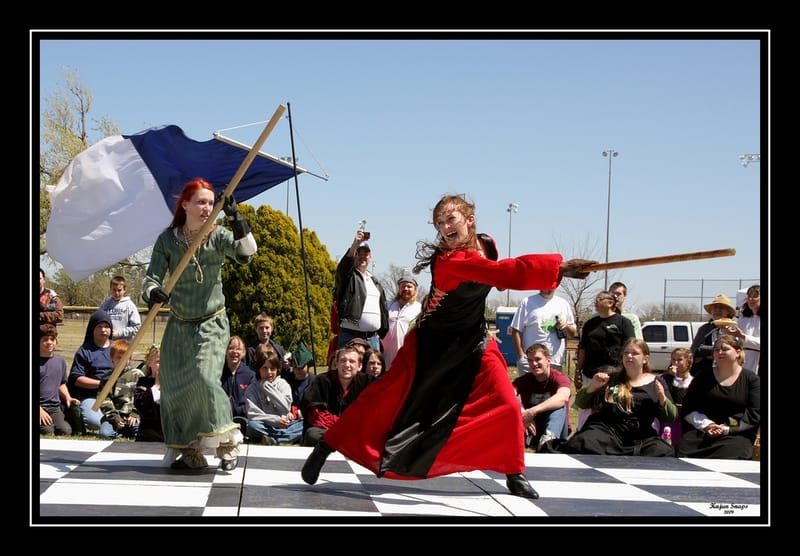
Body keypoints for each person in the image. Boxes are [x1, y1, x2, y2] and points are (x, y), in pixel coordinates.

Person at [300, 194, 595, 499]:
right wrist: (559, 268)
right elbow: (499, 273)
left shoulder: (487, 245)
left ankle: (514, 471)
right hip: (430, 345)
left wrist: (554, 271)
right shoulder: (450, 260)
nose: (444, 227)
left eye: (450, 219)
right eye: (439, 223)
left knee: (506, 401)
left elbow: (499, 278)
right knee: (382, 398)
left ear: (470, 219)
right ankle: (328, 444)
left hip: (474, 341)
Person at [142, 177, 257, 471]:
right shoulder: (167, 240)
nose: (207, 208)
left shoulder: (217, 236)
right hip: (179, 324)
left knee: (205, 379)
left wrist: (235, 217)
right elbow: (151, 278)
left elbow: (247, 253)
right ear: (185, 205)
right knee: (176, 386)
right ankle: (189, 448)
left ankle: (228, 442)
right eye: (201, 202)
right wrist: (153, 292)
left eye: (210, 202)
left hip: (212, 323)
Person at [544, 338, 676, 457]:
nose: (629, 356)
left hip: (641, 435)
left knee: (663, 451)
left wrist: (662, 399)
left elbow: (670, 416)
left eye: (634, 353)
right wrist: (592, 387)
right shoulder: (611, 378)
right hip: (608, 430)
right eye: (626, 353)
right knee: (586, 441)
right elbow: (581, 403)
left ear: (645, 358)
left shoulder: (657, 382)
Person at [676, 335, 760, 459]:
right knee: (684, 447)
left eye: (725, 349)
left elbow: (755, 414)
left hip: (736, 435)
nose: (720, 352)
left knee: (733, 451)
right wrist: (707, 425)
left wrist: (726, 429)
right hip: (703, 432)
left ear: (738, 352)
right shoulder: (702, 377)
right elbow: (689, 408)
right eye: (716, 350)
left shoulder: (752, 380)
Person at [574, 291, 636, 429]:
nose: (595, 302)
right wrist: (578, 370)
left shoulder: (623, 323)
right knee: (587, 408)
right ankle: (583, 434)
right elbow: (582, 349)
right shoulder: (590, 324)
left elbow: (631, 348)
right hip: (590, 376)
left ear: (610, 303)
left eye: (599, 299)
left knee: (610, 409)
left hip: (614, 377)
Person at [300, 345, 374, 447]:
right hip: (327, 430)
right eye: (343, 361)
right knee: (312, 434)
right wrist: (342, 426)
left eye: (352, 361)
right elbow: (315, 416)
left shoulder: (369, 383)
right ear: (337, 363)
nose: (347, 365)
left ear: (360, 366)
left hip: (358, 431)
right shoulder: (322, 381)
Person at [334, 230, 389, 352]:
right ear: (354, 256)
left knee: (372, 371)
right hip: (350, 336)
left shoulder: (375, 282)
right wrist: (355, 244)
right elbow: (343, 267)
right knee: (348, 370)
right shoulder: (349, 277)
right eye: (359, 254)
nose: (362, 257)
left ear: (370, 257)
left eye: (366, 254)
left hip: (372, 338)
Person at [512, 343, 571, 451]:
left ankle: (548, 442)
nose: (534, 364)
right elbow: (507, 395)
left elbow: (563, 397)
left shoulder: (559, 378)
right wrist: (523, 414)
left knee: (559, 406)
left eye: (538, 359)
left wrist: (532, 411)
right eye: (530, 360)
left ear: (548, 360)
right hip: (531, 426)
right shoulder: (523, 381)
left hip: (557, 428)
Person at [245, 345, 304, 445]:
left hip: (284, 424)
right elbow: (253, 415)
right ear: (259, 369)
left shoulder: (283, 385)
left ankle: (272, 439)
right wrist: (275, 421)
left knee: (303, 424)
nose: (269, 372)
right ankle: (283, 437)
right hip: (264, 424)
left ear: (277, 369)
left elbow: (285, 408)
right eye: (265, 368)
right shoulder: (252, 389)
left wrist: (268, 388)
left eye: (272, 369)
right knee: (251, 426)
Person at [67, 309, 115, 432]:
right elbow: (77, 379)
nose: (103, 330)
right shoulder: (84, 351)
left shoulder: (117, 348)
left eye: (106, 326)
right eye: (99, 326)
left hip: (115, 395)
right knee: (96, 422)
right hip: (91, 396)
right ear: (92, 329)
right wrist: (102, 384)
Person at [509, 289, 577, 374]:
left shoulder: (563, 304)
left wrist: (566, 325)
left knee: (552, 387)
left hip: (555, 362)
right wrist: (521, 356)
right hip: (531, 362)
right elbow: (515, 330)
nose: (548, 287)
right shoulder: (527, 302)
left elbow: (572, 333)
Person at [98, 339, 144, 439]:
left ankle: (127, 432)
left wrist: (135, 413)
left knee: (141, 433)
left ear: (130, 358)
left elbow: (143, 396)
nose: (122, 360)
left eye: (125, 357)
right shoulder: (106, 378)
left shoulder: (137, 374)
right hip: (114, 417)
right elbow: (104, 400)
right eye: (118, 357)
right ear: (112, 359)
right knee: (104, 434)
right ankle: (122, 431)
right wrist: (115, 418)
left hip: (132, 416)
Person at [39, 323, 77, 436]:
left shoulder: (60, 362)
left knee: (65, 431)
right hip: (39, 407)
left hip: (54, 407)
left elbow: (61, 384)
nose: (49, 342)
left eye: (52, 339)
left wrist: (68, 397)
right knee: (47, 431)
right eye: (45, 339)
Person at [689, 294, 738, 377]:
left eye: (721, 307)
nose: (717, 310)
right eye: (715, 308)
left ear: (728, 311)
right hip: (705, 372)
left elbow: (737, 351)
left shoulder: (735, 329)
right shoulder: (704, 329)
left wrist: (710, 353)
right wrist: (718, 351)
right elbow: (695, 350)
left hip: (728, 372)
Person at [656, 347, 694, 446]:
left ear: (688, 362)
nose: (675, 363)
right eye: (673, 359)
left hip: (684, 417)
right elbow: (666, 395)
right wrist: (671, 377)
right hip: (670, 416)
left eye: (679, 360)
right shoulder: (665, 378)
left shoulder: (693, 381)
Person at [382, 274, 422, 370]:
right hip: (385, 353)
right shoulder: (387, 305)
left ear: (415, 289)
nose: (406, 288)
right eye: (403, 286)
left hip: (405, 354)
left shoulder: (419, 308)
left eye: (409, 286)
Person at [220, 335, 256, 437]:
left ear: (243, 353)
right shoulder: (218, 374)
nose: (235, 352)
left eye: (238, 349)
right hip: (220, 418)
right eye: (231, 348)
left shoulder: (250, 376)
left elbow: (251, 404)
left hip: (241, 419)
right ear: (225, 351)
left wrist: (236, 409)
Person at [134, 344, 164, 442]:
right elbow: (142, 406)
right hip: (148, 435)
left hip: (171, 436)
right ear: (149, 363)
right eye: (159, 362)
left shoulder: (176, 383)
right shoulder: (143, 383)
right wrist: (157, 386)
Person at [99, 275, 142, 342]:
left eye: (119, 290)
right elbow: (98, 324)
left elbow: (137, 328)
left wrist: (119, 333)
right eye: (114, 290)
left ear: (124, 290)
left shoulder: (129, 305)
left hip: (123, 346)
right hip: (105, 345)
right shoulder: (104, 305)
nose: (116, 293)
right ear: (110, 289)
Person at [731, 284, 761, 375]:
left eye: (755, 296)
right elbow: (737, 341)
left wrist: (743, 336)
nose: (751, 299)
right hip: (743, 362)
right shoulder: (743, 319)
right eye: (749, 296)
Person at [283, 341, 314, 417]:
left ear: (308, 366)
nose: (298, 370)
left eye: (301, 367)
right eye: (295, 367)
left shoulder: (315, 382)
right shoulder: (286, 380)